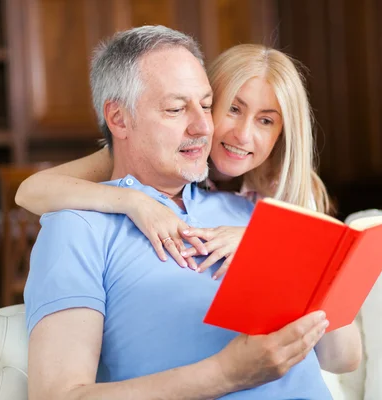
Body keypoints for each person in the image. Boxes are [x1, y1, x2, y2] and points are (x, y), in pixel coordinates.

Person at [25, 25, 349, 400]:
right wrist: (227, 374)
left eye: (207, 105)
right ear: (118, 119)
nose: (203, 126)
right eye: (176, 109)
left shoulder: (259, 209)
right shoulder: (78, 223)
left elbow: (342, 356)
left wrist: (283, 249)